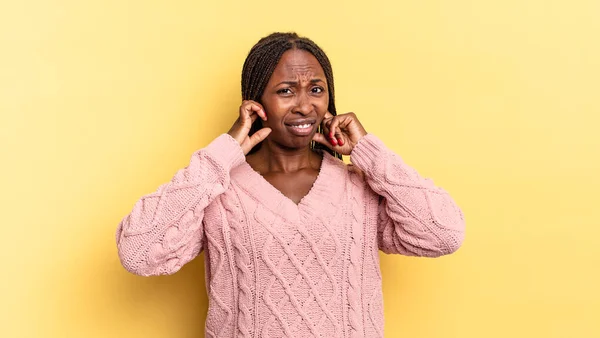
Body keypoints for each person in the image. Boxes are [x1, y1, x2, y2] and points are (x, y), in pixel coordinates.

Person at [116, 32, 465, 338]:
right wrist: (221, 155)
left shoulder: (358, 187)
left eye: (316, 89)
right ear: (256, 104)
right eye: (286, 91)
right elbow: (138, 252)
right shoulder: (220, 191)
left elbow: (444, 233)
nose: (304, 105)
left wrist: (367, 151)